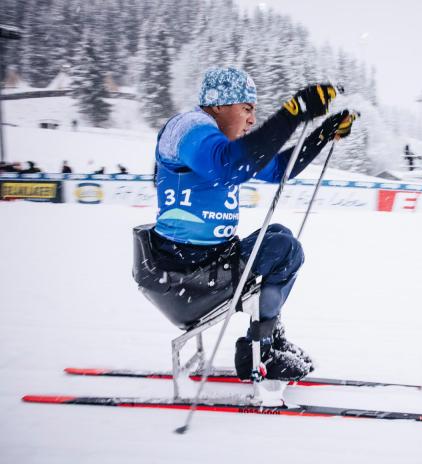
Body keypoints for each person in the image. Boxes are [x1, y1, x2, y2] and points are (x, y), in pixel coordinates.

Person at [132, 66, 355, 382]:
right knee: (284, 248)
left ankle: (270, 337)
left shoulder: (224, 141)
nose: (252, 119)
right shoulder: (187, 129)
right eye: (247, 109)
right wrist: (295, 113)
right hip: (183, 277)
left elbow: (277, 168)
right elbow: (229, 166)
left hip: (207, 263)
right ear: (219, 105)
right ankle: (257, 351)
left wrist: (321, 134)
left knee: (280, 236)